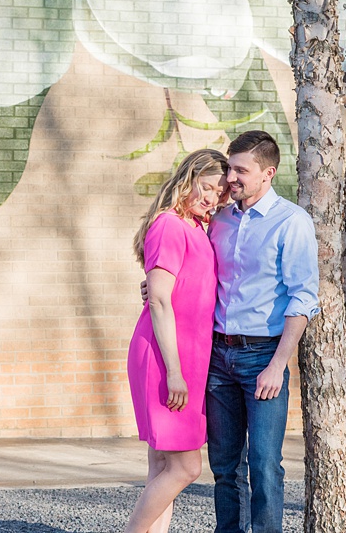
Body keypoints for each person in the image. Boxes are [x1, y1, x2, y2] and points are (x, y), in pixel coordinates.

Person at [205, 130, 320, 533]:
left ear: (268, 173)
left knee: (265, 465)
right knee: (223, 466)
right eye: (229, 168)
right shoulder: (218, 218)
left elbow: (303, 299)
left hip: (262, 358)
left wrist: (277, 365)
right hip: (217, 358)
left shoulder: (291, 222)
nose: (230, 178)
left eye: (241, 170)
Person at [124, 149, 230, 533]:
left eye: (219, 193)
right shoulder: (170, 225)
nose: (211, 199)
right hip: (167, 359)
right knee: (186, 467)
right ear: (187, 180)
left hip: (185, 359)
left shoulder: (196, 227)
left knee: (163, 467)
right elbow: (159, 299)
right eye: (205, 188)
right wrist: (174, 372)